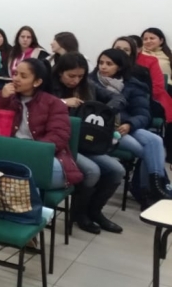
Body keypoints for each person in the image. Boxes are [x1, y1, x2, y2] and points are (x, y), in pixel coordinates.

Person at [0, 58, 83, 189]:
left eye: (23, 76)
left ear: (37, 82)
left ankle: (17, 196)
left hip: (42, 156)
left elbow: (58, 137)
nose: (16, 79)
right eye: (15, 74)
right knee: (7, 172)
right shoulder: (7, 98)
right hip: (12, 152)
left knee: (22, 175)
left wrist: (29, 151)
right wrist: (1, 98)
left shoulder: (53, 103)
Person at [50, 53, 126, 233]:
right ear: (60, 72)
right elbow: (41, 105)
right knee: (92, 171)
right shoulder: (50, 86)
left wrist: (102, 111)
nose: (76, 80)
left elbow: (120, 99)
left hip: (88, 142)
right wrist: (63, 102)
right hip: (63, 145)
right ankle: (79, 214)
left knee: (117, 170)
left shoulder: (88, 85)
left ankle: (95, 211)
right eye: (71, 76)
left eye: (80, 76)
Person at [88, 49, 172, 207]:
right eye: (101, 63)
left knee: (155, 140)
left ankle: (153, 187)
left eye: (109, 64)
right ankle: (150, 190)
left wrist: (130, 124)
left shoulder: (132, 84)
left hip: (127, 126)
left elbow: (143, 113)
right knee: (147, 151)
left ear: (119, 67)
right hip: (106, 129)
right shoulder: (91, 82)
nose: (103, 67)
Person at [116, 36, 172, 123]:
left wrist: (130, 124)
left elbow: (154, 89)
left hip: (135, 111)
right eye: (117, 48)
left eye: (126, 50)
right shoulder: (103, 69)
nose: (121, 52)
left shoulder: (140, 72)